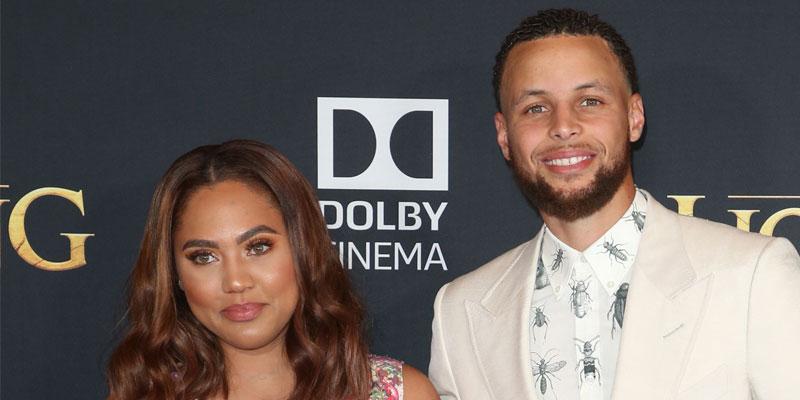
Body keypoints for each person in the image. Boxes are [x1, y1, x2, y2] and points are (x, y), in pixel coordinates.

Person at [428, 8, 800, 400]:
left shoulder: (752, 276)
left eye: (589, 101)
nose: (563, 126)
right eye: (536, 108)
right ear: (504, 136)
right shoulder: (461, 313)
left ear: (634, 117)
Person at [107, 139, 439, 400]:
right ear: (174, 274)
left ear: (303, 250)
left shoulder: (399, 394)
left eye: (258, 248)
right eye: (204, 256)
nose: (236, 281)